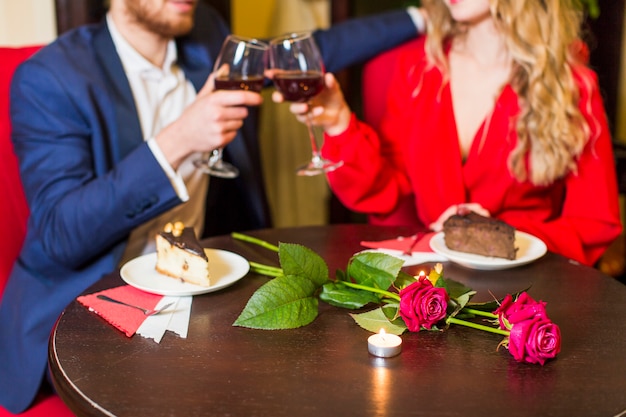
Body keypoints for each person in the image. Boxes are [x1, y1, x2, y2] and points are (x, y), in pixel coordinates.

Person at [0, 0, 427, 413]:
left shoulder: (206, 37)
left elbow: (310, 51)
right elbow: (59, 234)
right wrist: (179, 139)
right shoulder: (51, 76)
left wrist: (423, 17)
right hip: (85, 308)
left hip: (198, 295)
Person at [278, 0, 622, 268]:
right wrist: (339, 121)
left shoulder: (572, 86)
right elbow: (386, 191)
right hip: (430, 289)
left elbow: (595, 223)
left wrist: (503, 236)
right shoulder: (418, 69)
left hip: (527, 291)